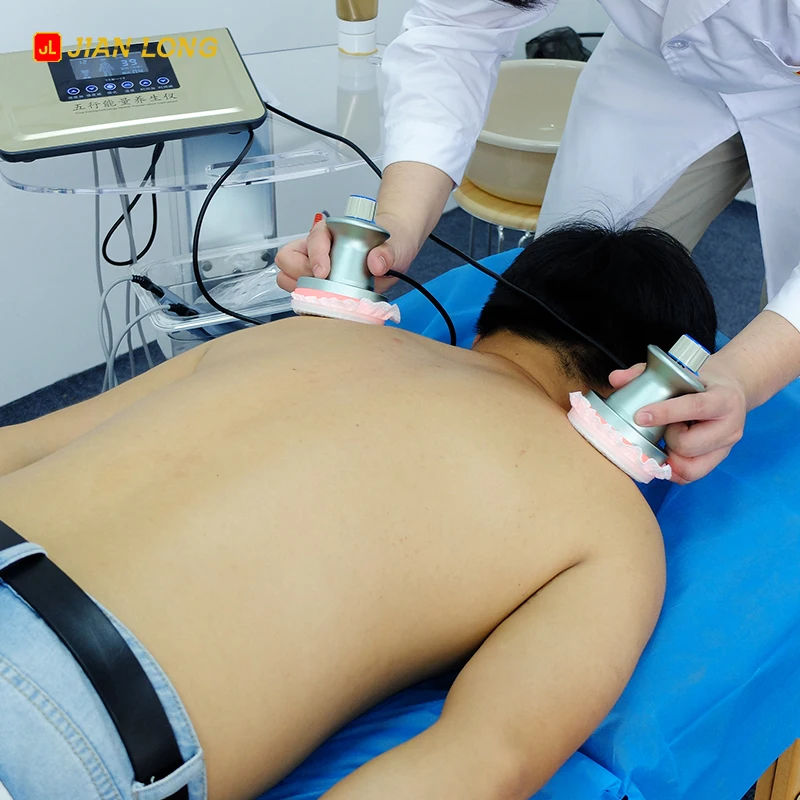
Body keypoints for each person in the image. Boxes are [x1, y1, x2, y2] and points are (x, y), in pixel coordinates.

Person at [0, 224, 716, 800]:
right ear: (657, 402)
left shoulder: (292, 335)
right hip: (72, 712)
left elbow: (23, 444)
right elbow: (482, 763)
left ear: (494, 316)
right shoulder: (607, 520)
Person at [275, 0, 800, 485]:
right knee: (579, 272)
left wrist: (739, 376)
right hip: (664, 63)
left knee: (773, 372)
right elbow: (458, 29)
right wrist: (397, 224)